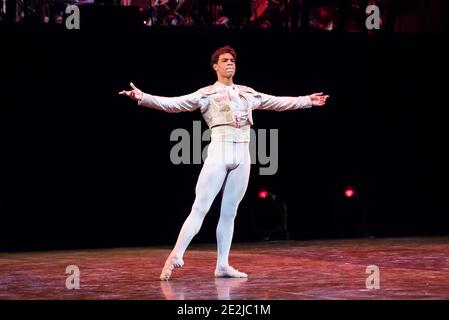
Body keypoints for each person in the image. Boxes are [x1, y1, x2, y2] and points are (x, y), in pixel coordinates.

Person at [119, 45, 329, 281]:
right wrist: (143, 97)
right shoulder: (205, 94)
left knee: (229, 212)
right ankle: (175, 256)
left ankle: (222, 265)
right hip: (219, 152)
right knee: (200, 208)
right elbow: (174, 104)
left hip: (243, 154)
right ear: (215, 66)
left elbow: (277, 101)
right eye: (225, 60)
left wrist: (307, 100)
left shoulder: (247, 93)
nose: (230, 63)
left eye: (233, 61)